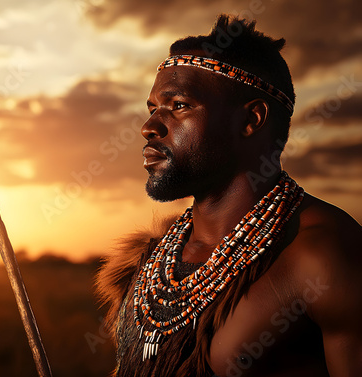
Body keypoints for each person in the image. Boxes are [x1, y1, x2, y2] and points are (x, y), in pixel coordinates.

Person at [96, 14, 362, 377]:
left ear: (251, 120)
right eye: (152, 108)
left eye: (179, 106)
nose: (149, 127)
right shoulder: (155, 260)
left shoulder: (324, 254)